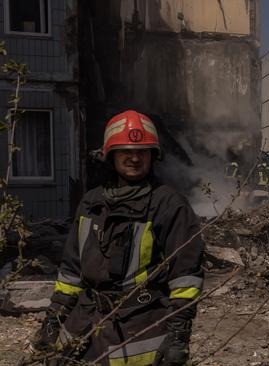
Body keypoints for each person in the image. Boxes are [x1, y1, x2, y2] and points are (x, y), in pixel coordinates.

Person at [31, 110, 204, 365]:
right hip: (84, 322)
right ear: (110, 155)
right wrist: (53, 319)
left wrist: (178, 336)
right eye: (126, 151)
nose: (135, 158)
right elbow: (71, 272)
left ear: (153, 156)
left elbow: (185, 277)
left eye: (142, 152)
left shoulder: (169, 205)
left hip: (139, 328)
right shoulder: (91, 203)